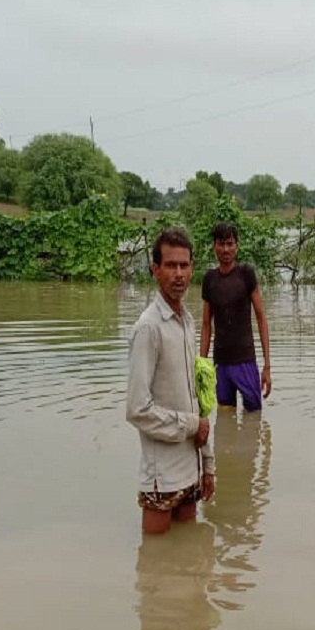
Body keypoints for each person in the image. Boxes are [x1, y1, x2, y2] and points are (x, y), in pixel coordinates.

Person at [127, 228, 215, 534]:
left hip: (190, 466)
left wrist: (208, 464)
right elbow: (137, 409)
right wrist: (193, 426)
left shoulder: (187, 322)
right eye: (170, 265)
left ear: (192, 269)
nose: (179, 274)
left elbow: (197, 398)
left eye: (184, 265)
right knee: (156, 565)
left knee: (188, 561)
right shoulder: (148, 329)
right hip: (161, 475)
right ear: (155, 271)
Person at [200, 222, 272, 411]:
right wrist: (202, 365)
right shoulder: (209, 279)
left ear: (237, 246)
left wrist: (267, 366)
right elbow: (207, 324)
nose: (226, 249)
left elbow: (261, 318)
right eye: (221, 244)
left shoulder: (246, 274)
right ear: (214, 246)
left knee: (254, 415)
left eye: (230, 244)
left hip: (245, 360)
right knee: (225, 417)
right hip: (220, 362)